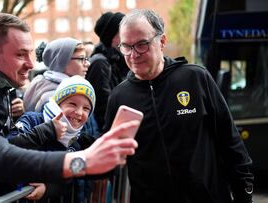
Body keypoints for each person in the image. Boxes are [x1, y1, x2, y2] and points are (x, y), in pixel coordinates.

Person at [0, 13, 138, 203]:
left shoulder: (0, 84)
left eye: (30, 53)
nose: (31, 63)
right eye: (20, 54)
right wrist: (81, 162)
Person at [104, 9, 254, 202]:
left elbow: (230, 141)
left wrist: (244, 194)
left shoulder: (195, 78)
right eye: (126, 46)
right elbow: (112, 160)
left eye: (142, 44)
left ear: (162, 42)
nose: (133, 55)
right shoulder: (119, 97)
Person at [9, 76, 97, 202]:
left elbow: (68, 180)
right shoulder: (32, 120)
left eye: (86, 108)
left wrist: (48, 189)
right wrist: (47, 130)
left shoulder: (75, 142)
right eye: (72, 104)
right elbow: (9, 147)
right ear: (57, 104)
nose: (79, 112)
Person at [86, 11, 130, 131]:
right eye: (123, 31)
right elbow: (103, 108)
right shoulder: (100, 63)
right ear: (112, 37)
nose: (128, 34)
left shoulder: (118, 61)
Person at [23, 37, 89, 113]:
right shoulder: (56, 97)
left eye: (86, 59)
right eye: (81, 59)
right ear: (62, 62)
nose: (87, 64)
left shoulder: (41, 82)